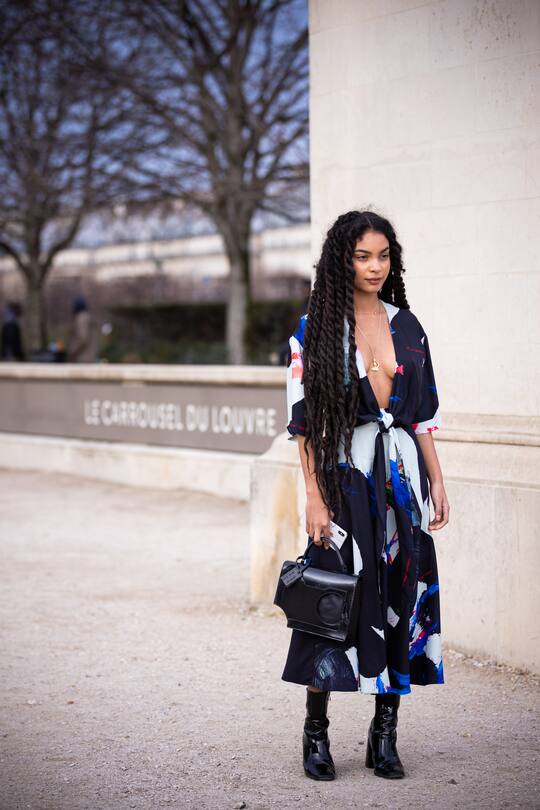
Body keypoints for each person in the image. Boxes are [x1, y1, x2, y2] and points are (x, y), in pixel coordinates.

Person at [283, 210, 449, 781]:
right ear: (341, 261)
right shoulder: (314, 330)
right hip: (343, 477)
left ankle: (385, 734)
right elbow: (302, 424)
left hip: (400, 482)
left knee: (399, 600)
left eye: (382, 256)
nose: (375, 267)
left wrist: (438, 480)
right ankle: (316, 731)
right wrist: (312, 495)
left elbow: (424, 414)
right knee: (333, 605)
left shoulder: (409, 326)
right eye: (362, 257)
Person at [67, 296, 97, 363]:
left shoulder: (81, 318)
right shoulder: (86, 317)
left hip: (82, 359)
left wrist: (72, 351)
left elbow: (83, 338)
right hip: (88, 357)